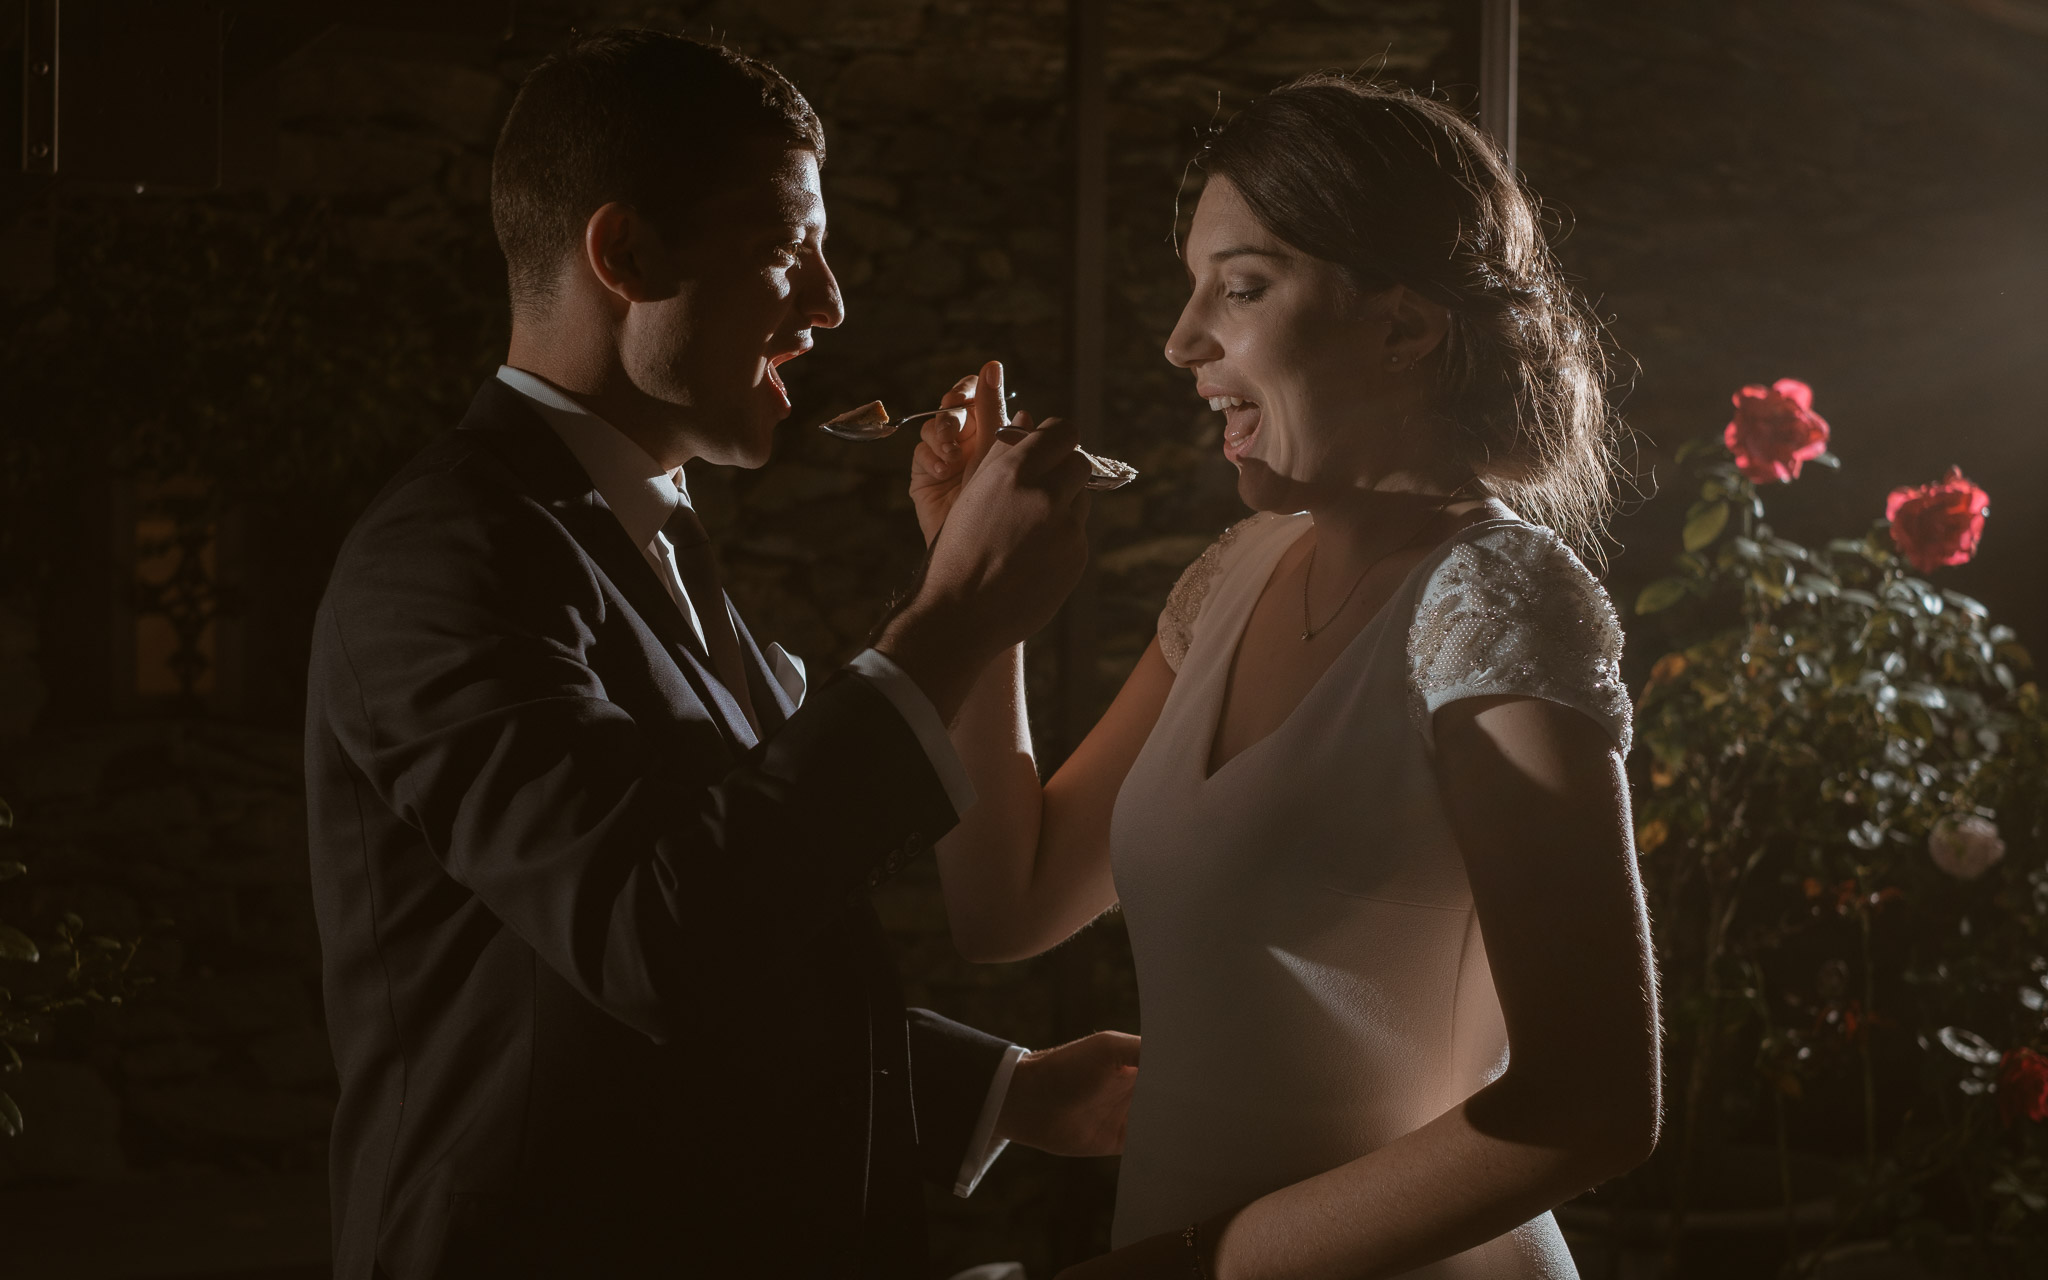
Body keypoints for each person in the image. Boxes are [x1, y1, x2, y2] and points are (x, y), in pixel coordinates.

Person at [304, 31, 1138, 1280]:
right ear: (625, 254)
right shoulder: (442, 562)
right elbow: (655, 936)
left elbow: (734, 925)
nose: (828, 304)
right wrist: (956, 610)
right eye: (786, 251)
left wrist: (998, 1090)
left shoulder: (647, 537)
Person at [911, 76, 1661, 1278]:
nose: (1180, 338)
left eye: (1241, 287)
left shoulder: (1497, 602)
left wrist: (1192, 1266)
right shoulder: (1236, 573)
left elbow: (1589, 1106)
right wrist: (971, 596)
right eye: (1193, 284)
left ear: (1404, 327)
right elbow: (1006, 902)